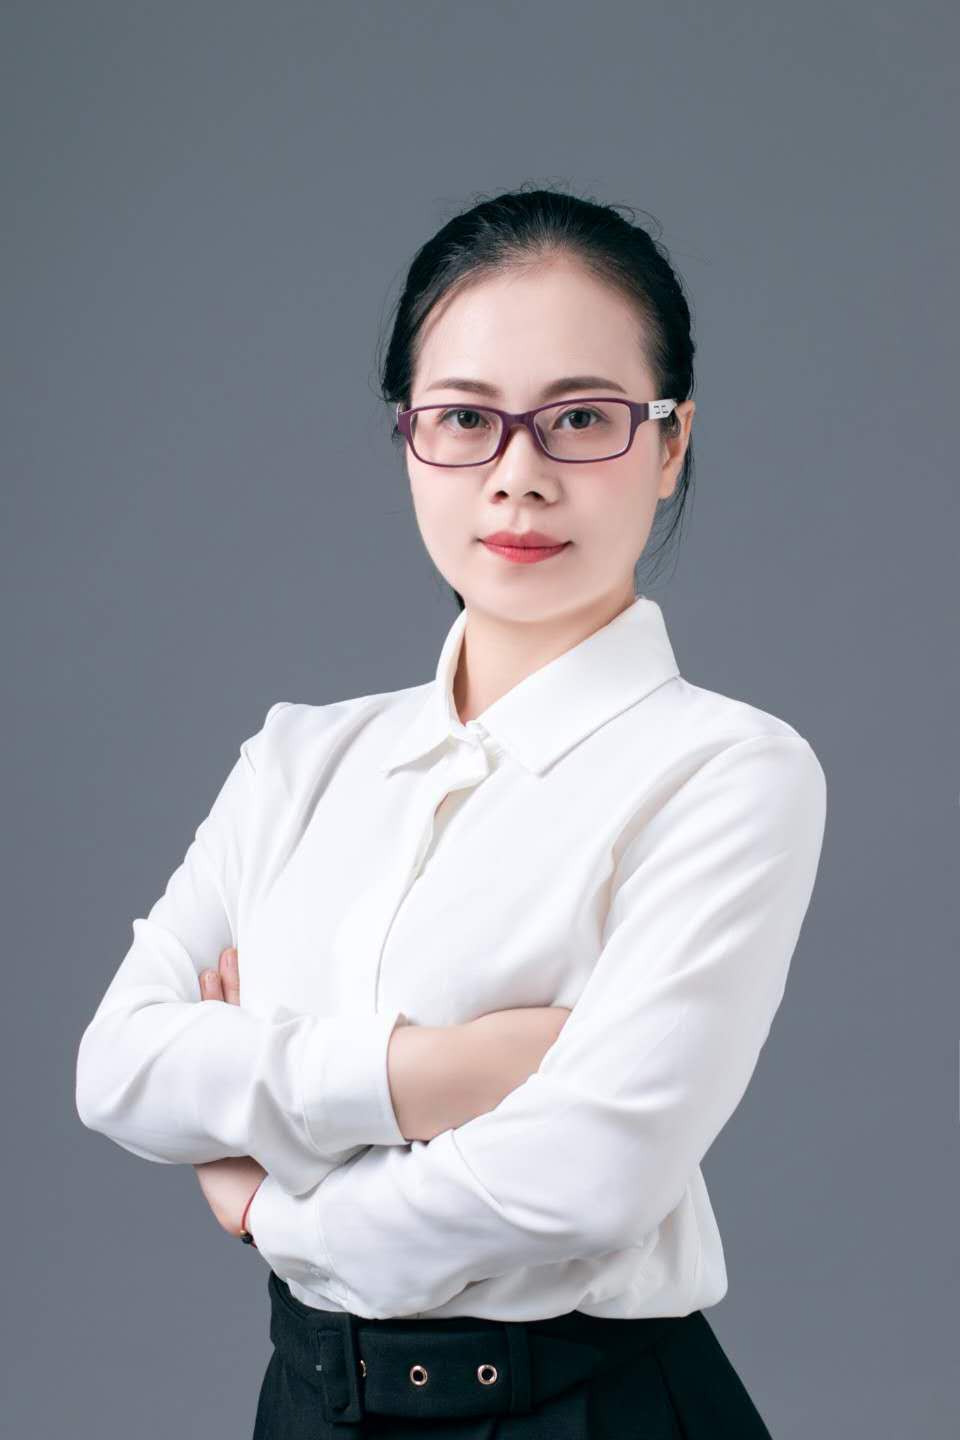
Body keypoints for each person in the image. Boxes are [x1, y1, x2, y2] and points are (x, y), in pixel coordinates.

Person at [76, 185, 828, 1438]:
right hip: (304, 1406)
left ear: (670, 444)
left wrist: (269, 1200)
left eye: (581, 419)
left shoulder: (729, 771)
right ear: (407, 438)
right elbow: (120, 1068)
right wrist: (431, 1074)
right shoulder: (300, 758)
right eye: (466, 420)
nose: (518, 478)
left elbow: (587, 1182)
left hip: (587, 1412)